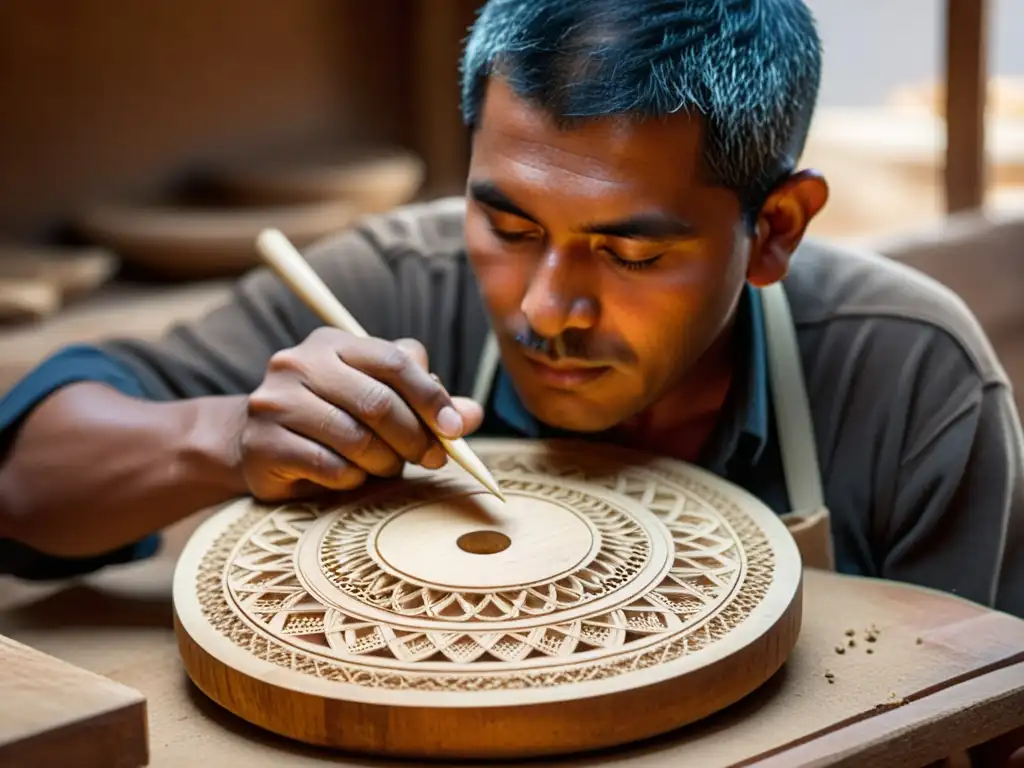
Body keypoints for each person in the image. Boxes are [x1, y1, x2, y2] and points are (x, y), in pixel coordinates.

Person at [0, 0, 1021, 619]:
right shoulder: (392, 285)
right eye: (510, 225)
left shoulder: (908, 378)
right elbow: (22, 488)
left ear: (774, 231)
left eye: (629, 249)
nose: (546, 308)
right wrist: (217, 436)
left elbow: (972, 721)